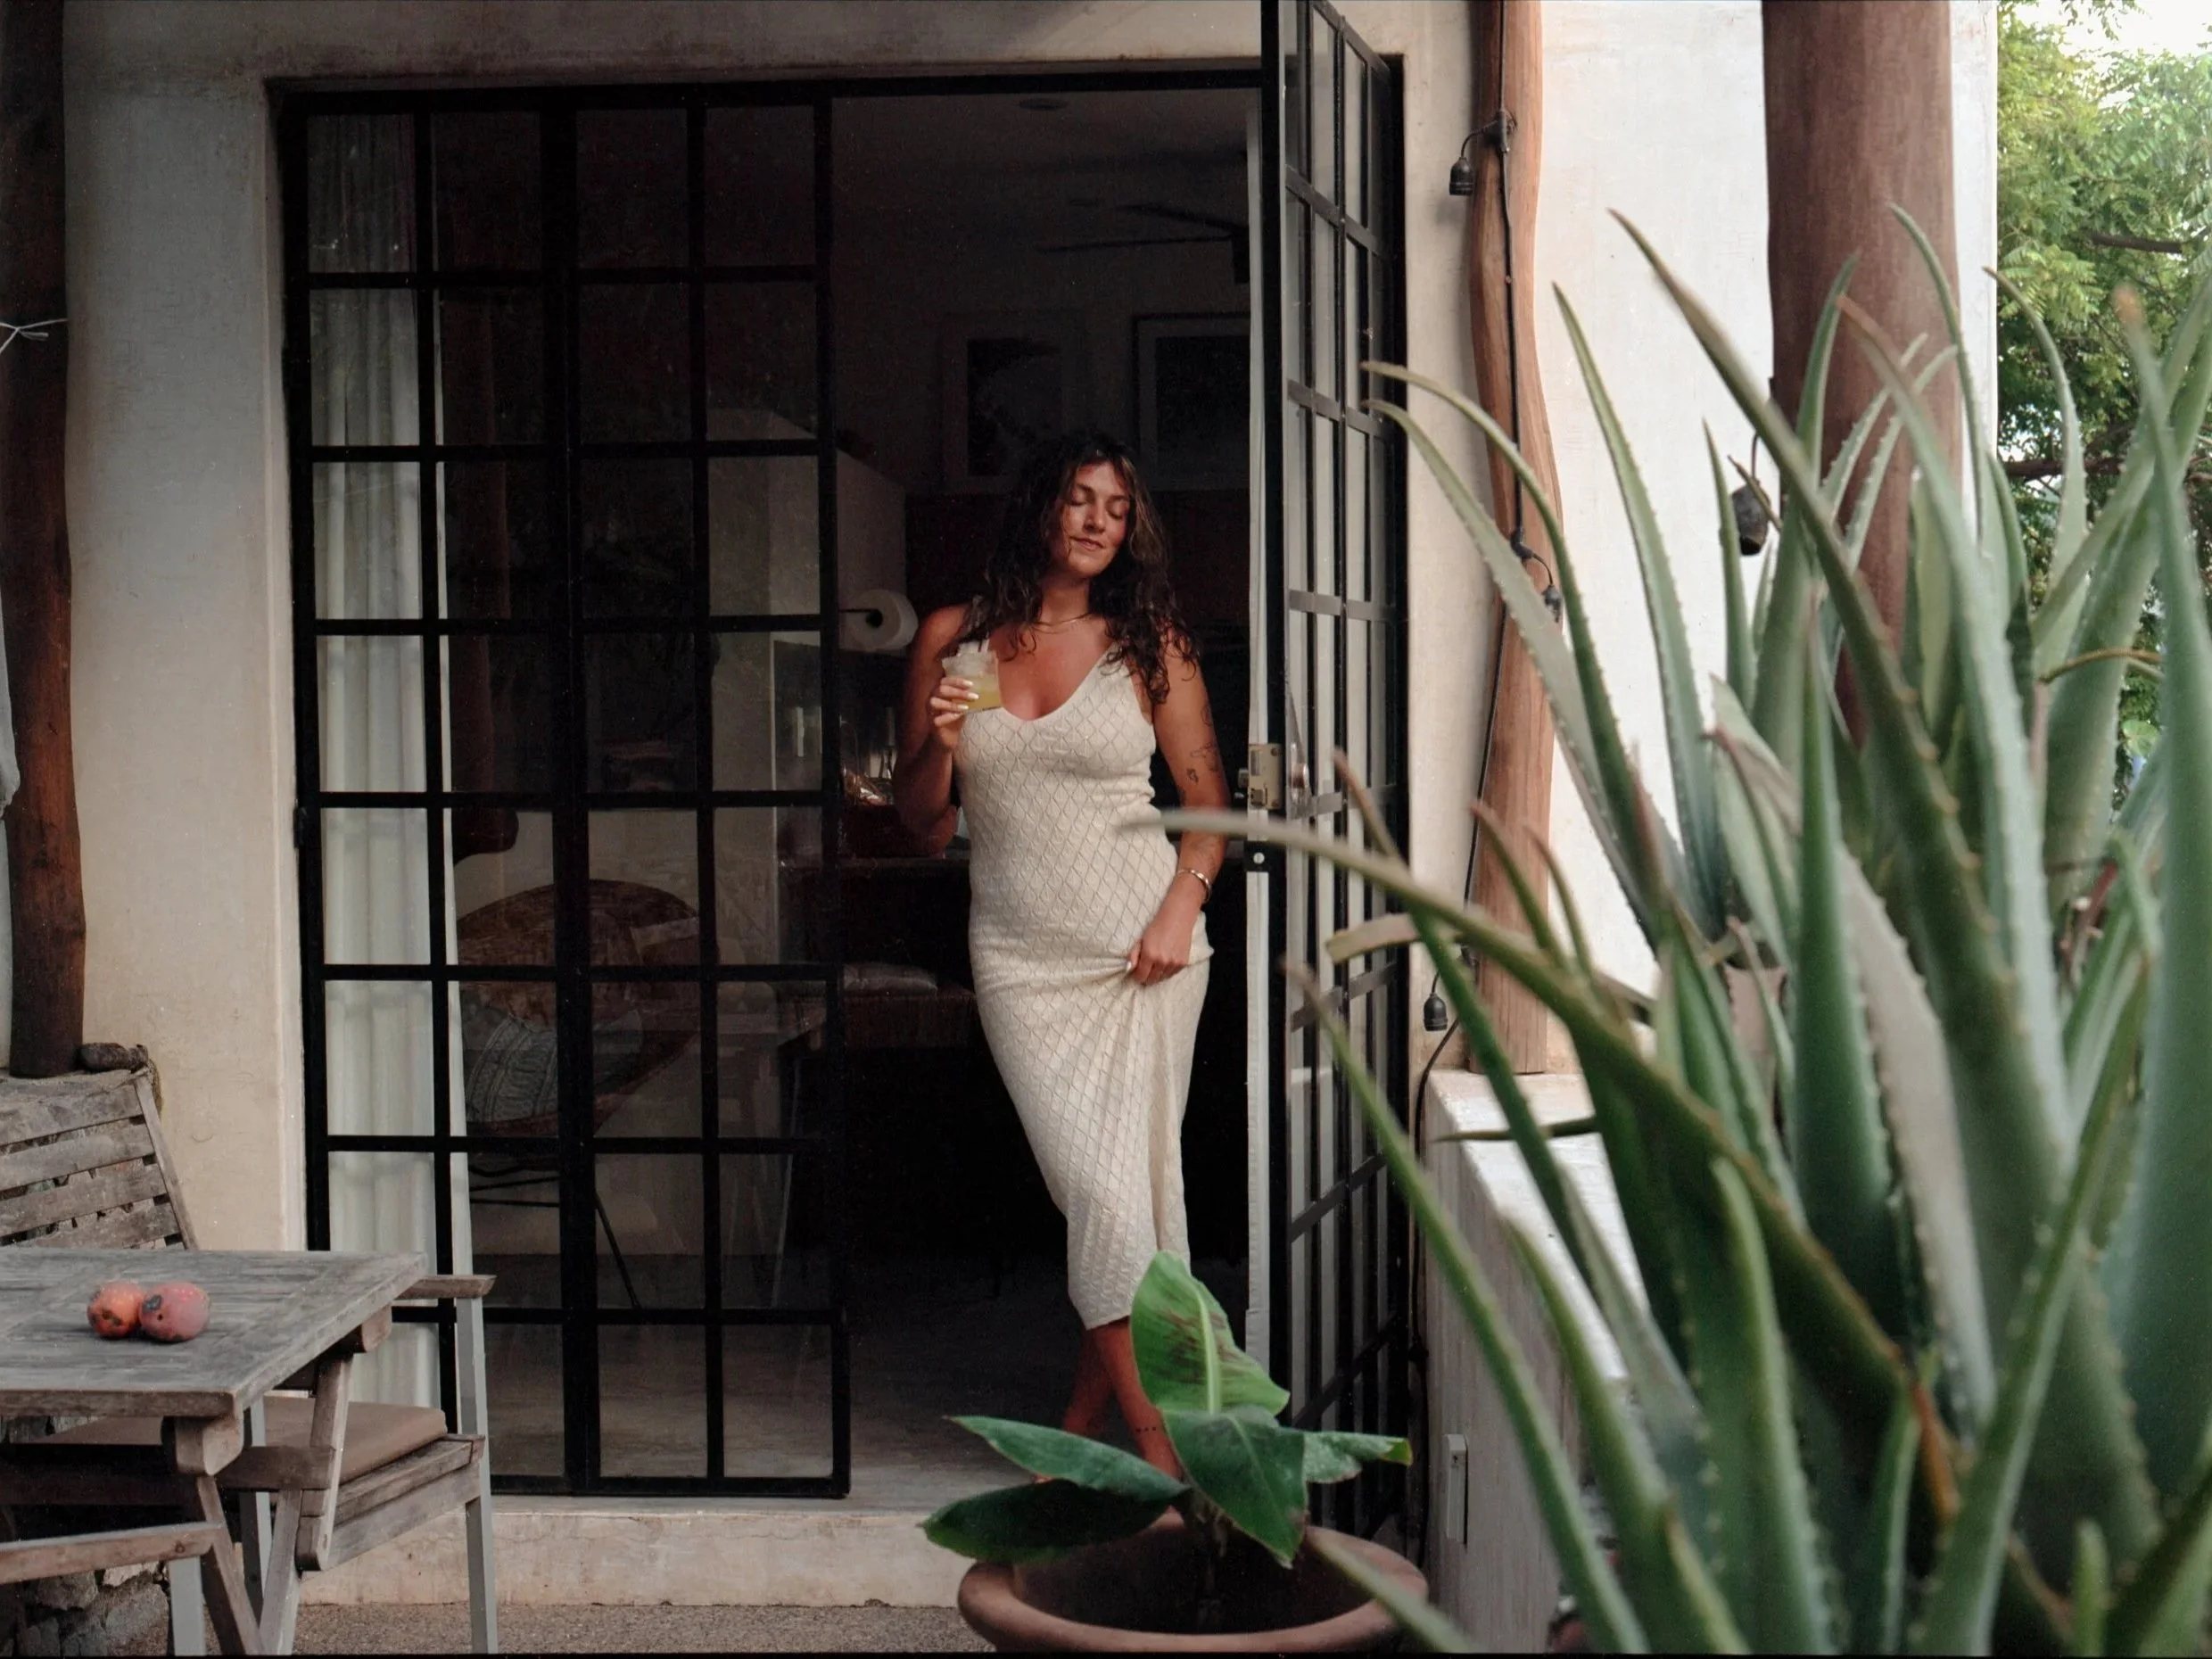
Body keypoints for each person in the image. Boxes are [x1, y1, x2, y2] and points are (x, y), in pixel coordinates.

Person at [895, 431, 1228, 1475]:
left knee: (1115, 1200)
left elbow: (1208, 804)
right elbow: (917, 828)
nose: (1096, 522)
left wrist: (1181, 907)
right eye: (1079, 500)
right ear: (1041, 506)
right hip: (1020, 963)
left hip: (1145, 952)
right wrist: (936, 746)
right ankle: (1162, 1456)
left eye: (1116, 509)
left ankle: (1129, 1452)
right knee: (1101, 1194)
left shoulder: (1148, 642)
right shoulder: (955, 641)